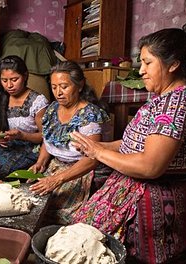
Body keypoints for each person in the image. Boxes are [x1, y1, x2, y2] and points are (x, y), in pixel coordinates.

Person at [72, 22, 186, 263]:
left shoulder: (177, 102)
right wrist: (95, 146)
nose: (141, 71)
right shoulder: (169, 98)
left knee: (89, 245)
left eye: (148, 62)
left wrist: (97, 151)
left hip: (156, 191)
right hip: (152, 184)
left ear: (173, 64)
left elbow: (150, 166)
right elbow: (136, 143)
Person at [29, 61, 110, 225]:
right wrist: (40, 163)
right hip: (56, 167)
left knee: (59, 216)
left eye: (64, 86)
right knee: (34, 205)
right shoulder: (52, 109)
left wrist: (57, 179)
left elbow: (92, 159)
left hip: (80, 171)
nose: (58, 92)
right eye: (54, 87)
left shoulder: (89, 115)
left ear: (79, 86)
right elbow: (48, 138)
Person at [0, 55, 49, 181]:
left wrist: (22, 135)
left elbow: (45, 136)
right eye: (4, 80)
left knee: (8, 169)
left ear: (25, 76)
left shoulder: (37, 101)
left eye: (14, 79)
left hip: (27, 147)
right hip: (1, 143)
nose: (9, 85)